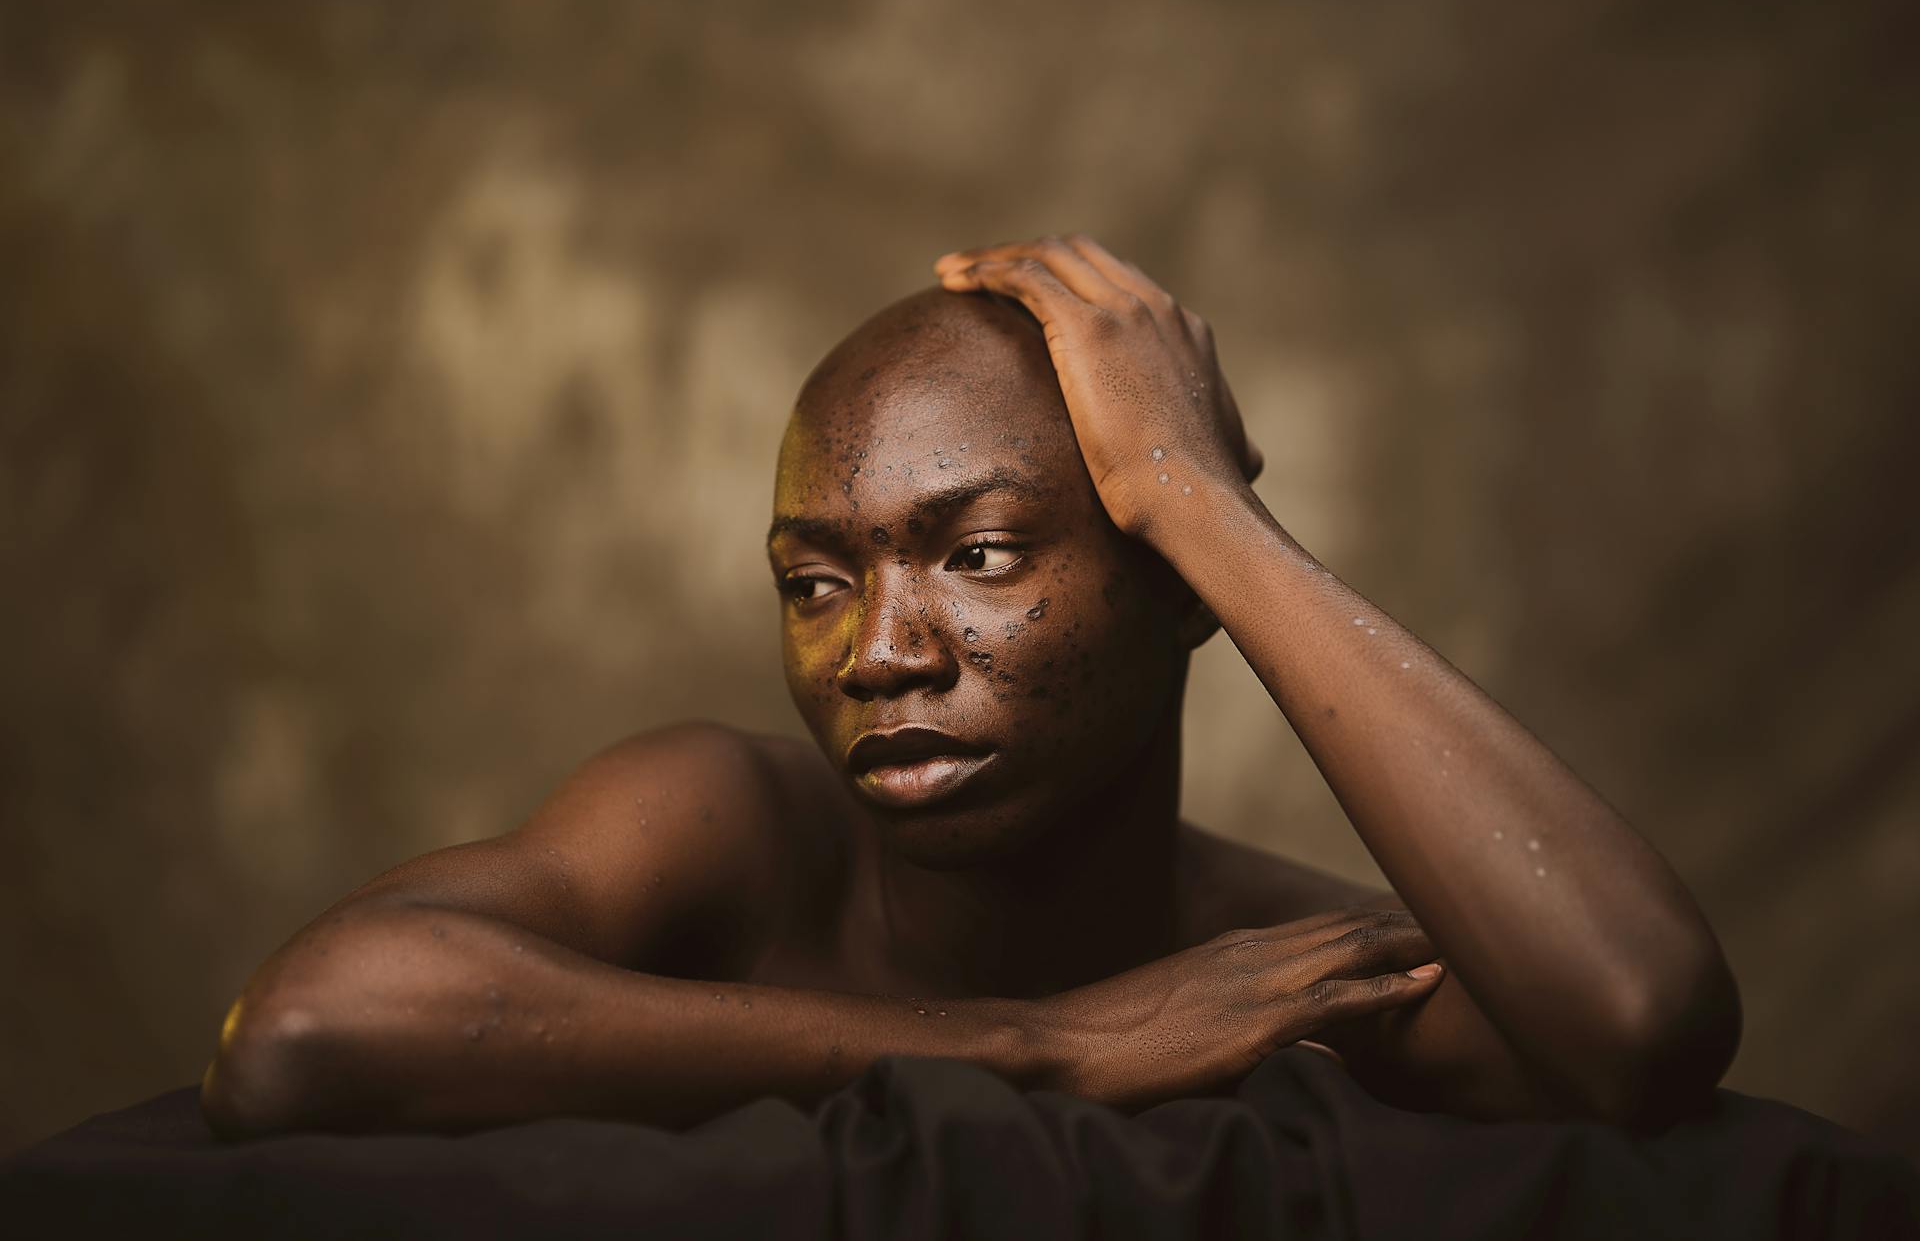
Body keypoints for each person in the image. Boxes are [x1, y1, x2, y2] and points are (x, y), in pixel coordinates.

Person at [199, 234, 1741, 1138]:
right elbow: (302, 1031)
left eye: (984, 557)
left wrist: (1202, 505)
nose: (879, 653)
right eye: (815, 581)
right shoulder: (726, 834)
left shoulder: (1269, 973)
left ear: (1175, 593)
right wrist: (1038, 1045)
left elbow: (1645, 1011)